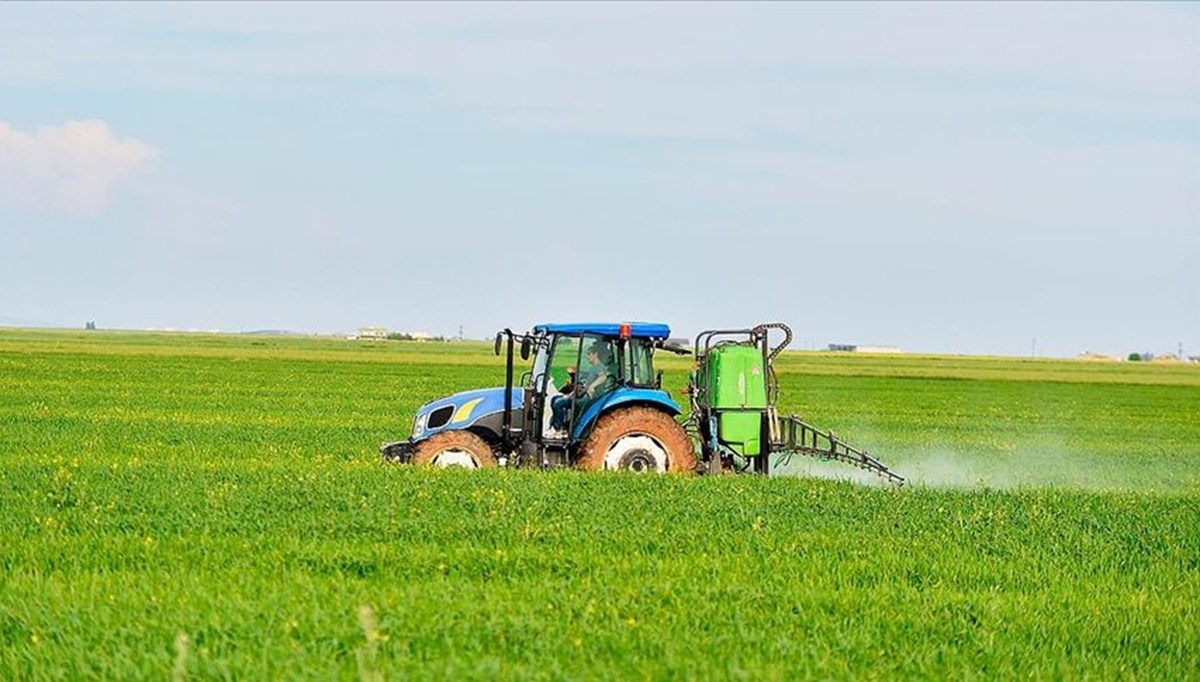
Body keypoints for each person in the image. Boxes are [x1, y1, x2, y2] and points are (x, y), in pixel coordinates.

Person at [549, 342, 614, 433]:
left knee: (558, 403)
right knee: (555, 399)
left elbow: (603, 377)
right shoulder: (594, 367)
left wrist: (591, 386)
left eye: (589, 354)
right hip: (583, 394)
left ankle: (559, 429)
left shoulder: (599, 366)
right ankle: (562, 426)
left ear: (595, 354)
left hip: (587, 398)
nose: (588, 357)